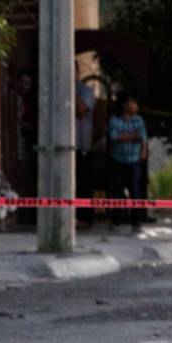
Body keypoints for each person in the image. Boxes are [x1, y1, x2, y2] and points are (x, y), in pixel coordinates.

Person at [107, 94, 148, 231]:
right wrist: (132, 136)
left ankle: (136, 222)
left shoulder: (139, 120)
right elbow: (114, 138)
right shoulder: (114, 120)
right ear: (125, 105)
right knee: (117, 191)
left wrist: (143, 151)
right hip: (117, 159)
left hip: (134, 159)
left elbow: (143, 138)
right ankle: (116, 221)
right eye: (133, 103)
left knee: (135, 191)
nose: (136, 106)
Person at [74, 68, 97, 226]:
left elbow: (81, 110)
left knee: (83, 183)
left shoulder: (86, 91)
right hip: (60, 147)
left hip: (81, 146)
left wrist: (71, 88)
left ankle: (85, 218)